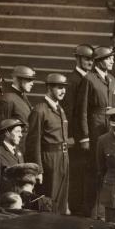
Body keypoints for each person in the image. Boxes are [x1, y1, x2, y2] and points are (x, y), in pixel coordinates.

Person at [77, 46, 115, 219]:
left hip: (109, 131)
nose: (112, 61)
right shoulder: (89, 79)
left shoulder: (112, 79)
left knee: (106, 170)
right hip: (95, 131)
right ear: (100, 61)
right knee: (94, 172)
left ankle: (102, 211)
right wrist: (85, 136)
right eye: (109, 59)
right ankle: (91, 213)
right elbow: (83, 110)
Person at [25, 73, 69, 215]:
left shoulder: (59, 109)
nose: (63, 91)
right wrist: (38, 169)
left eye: (64, 88)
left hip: (63, 158)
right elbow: (33, 141)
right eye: (59, 87)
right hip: (49, 160)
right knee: (48, 200)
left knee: (61, 199)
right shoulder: (40, 110)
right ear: (49, 88)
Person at [62, 44, 93, 215]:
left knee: (85, 175)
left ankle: (82, 209)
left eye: (92, 59)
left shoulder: (89, 79)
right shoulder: (73, 81)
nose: (90, 62)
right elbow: (69, 112)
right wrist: (72, 136)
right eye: (87, 59)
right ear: (78, 59)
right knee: (76, 175)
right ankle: (75, 210)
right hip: (76, 138)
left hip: (86, 136)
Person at [0, 65, 35, 153]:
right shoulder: (8, 99)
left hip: (24, 149)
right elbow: (1, 130)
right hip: (15, 151)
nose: (32, 83)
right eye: (29, 79)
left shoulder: (22, 96)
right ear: (18, 79)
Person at [0, 118, 25, 200]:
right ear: (7, 133)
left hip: (20, 201)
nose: (21, 135)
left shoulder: (19, 153)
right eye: (17, 131)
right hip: (5, 203)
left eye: (21, 131)